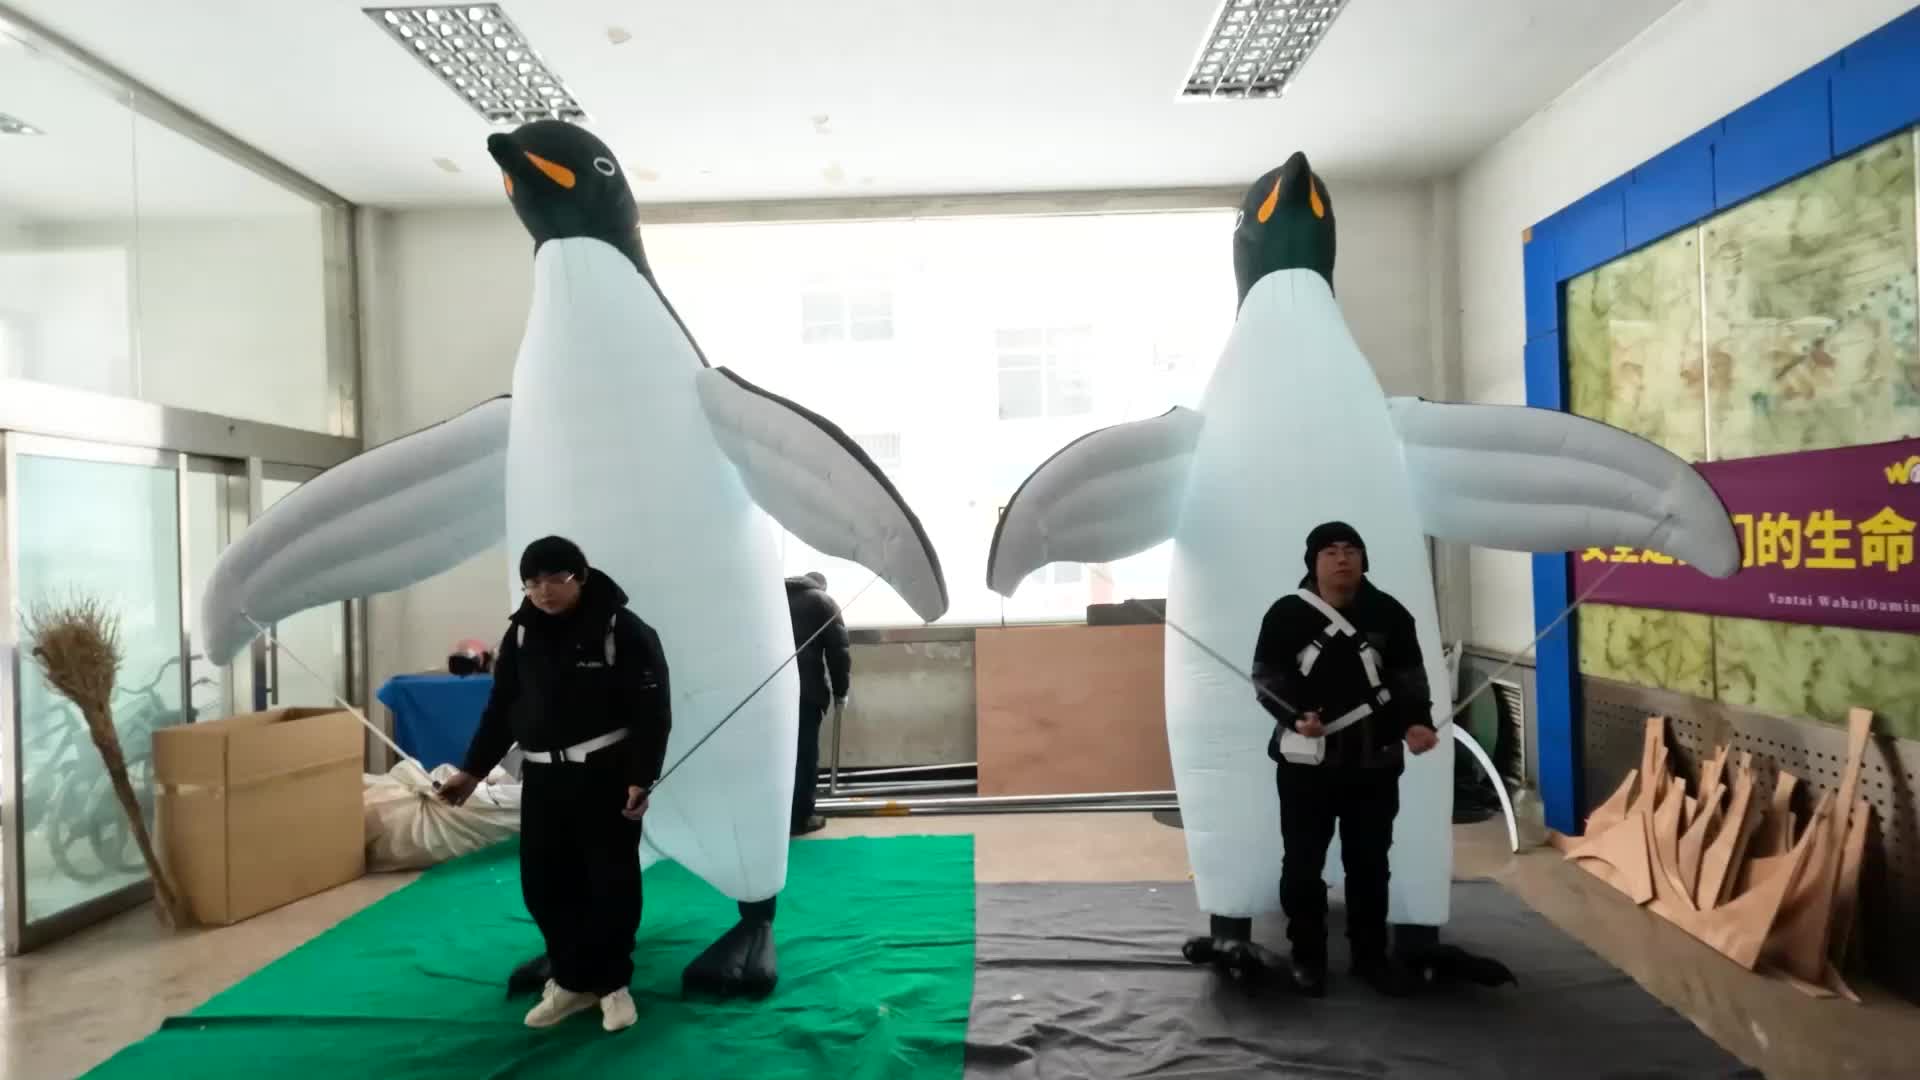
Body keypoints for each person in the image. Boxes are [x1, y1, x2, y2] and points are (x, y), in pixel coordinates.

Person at [439, 536, 672, 1032]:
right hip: (543, 777)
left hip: (606, 775)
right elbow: (501, 709)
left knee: (608, 882)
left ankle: (613, 985)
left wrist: (641, 777)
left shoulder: (624, 630)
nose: (543, 591)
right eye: (532, 582)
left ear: (580, 577)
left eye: (555, 579)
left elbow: (653, 713)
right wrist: (472, 771)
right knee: (544, 884)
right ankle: (570, 981)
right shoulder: (522, 634)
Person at [1251, 522, 1438, 999]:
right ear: (1313, 562)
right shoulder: (1287, 615)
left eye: (1351, 550)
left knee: (1370, 864)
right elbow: (1267, 677)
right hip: (1306, 765)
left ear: (1363, 559)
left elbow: (1410, 679)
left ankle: (1370, 958)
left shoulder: (1390, 614)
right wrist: (1296, 716)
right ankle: (1307, 957)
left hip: (1375, 762)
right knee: (1302, 865)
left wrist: (1417, 723)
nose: (1341, 559)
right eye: (1330, 551)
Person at [784, 571, 849, 836]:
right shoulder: (823, 602)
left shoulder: (772, 598)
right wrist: (841, 692)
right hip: (806, 693)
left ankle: (772, 818)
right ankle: (800, 818)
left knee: (773, 756)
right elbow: (838, 653)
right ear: (822, 586)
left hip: (768, 694)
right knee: (804, 756)